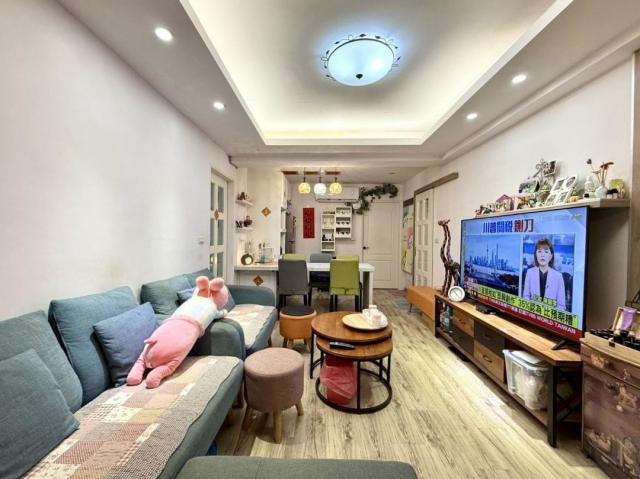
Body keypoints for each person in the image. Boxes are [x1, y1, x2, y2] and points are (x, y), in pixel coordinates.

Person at [522, 239, 566, 311]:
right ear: (536, 255)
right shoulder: (530, 272)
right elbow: (526, 296)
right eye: (539, 251)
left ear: (551, 256)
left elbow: (561, 305)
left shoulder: (558, 277)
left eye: (546, 252)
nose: (542, 255)